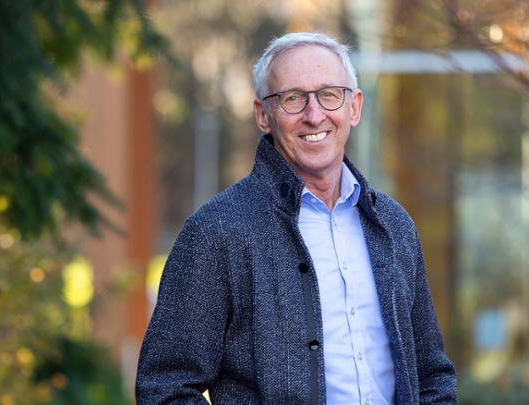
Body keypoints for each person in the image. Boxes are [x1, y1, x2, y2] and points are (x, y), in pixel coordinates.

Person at [136, 32, 456, 405]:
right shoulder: (216, 233)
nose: (314, 115)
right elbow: (166, 388)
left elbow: (432, 376)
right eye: (293, 99)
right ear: (263, 115)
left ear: (354, 107)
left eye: (329, 95)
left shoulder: (393, 225)